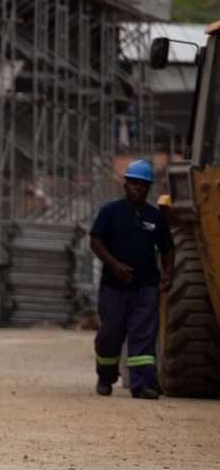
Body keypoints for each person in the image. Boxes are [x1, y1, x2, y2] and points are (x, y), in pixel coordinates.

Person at [89, 159, 174, 400]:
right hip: (114, 286)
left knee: (143, 335)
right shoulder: (110, 212)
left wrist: (168, 274)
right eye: (134, 184)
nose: (137, 188)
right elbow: (95, 242)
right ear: (125, 184)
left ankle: (142, 383)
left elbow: (167, 248)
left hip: (145, 286)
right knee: (110, 334)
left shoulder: (155, 217)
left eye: (143, 185)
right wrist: (115, 266)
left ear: (148, 188)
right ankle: (105, 376)